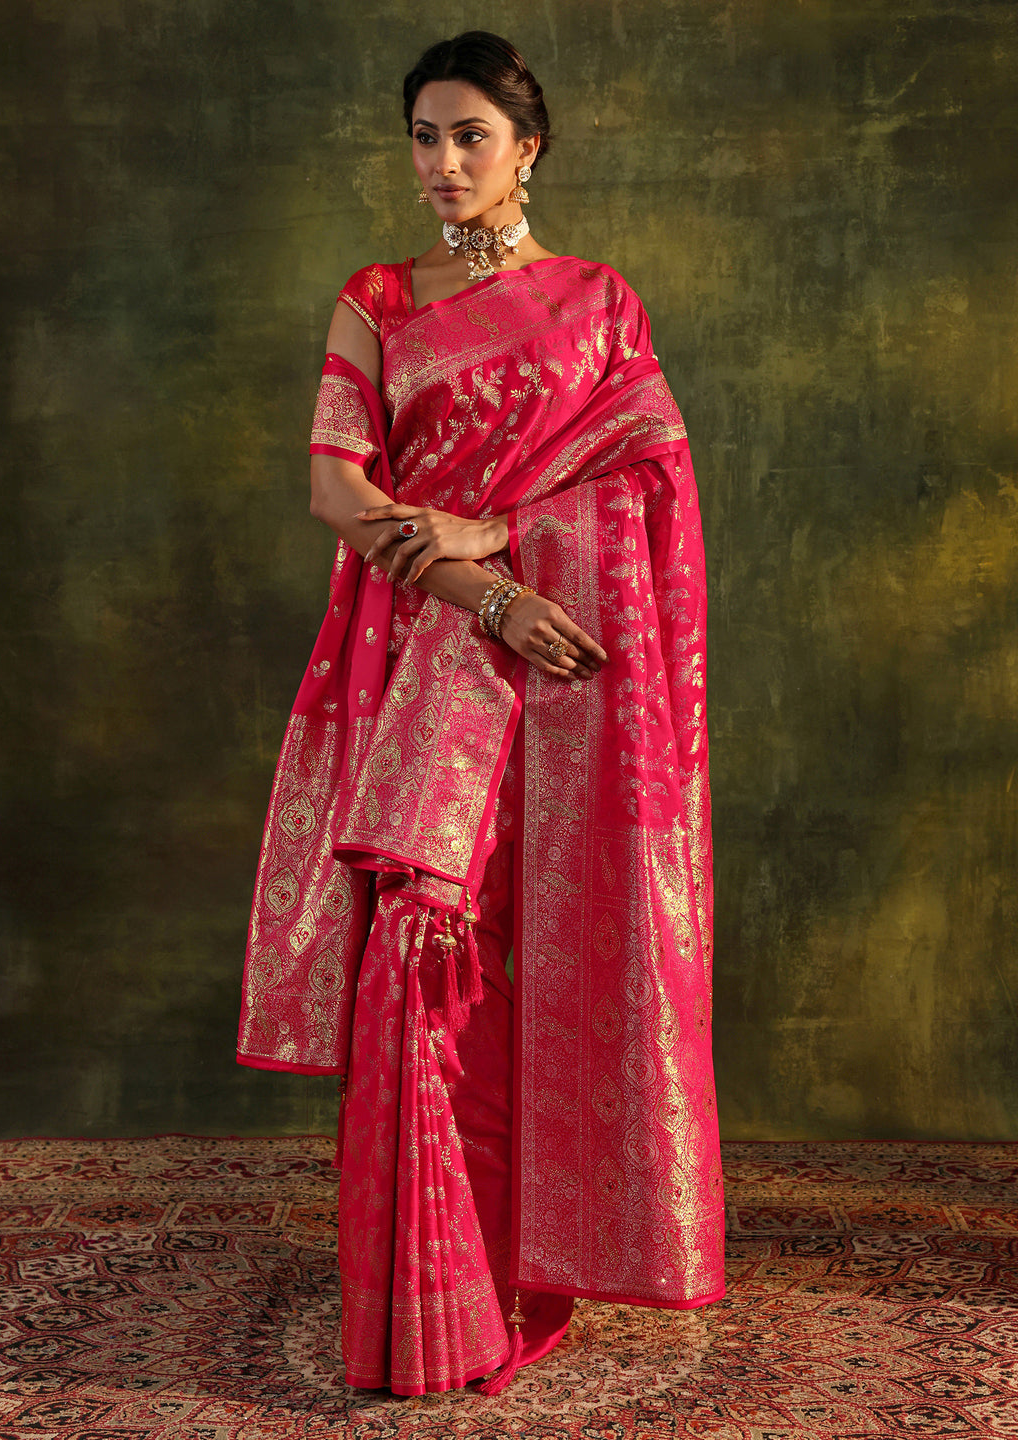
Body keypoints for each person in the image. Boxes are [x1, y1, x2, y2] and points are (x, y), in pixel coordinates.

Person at [237, 30, 725, 1396]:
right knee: (421, 958)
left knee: (529, 964)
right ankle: (431, 1305)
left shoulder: (598, 303)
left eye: (469, 138)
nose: (442, 164)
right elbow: (341, 492)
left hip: (566, 684)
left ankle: (528, 1267)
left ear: (529, 149)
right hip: (432, 664)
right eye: (423, 138)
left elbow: (647, 485)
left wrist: (507, 532)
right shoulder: (377, 298)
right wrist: (486, 593)